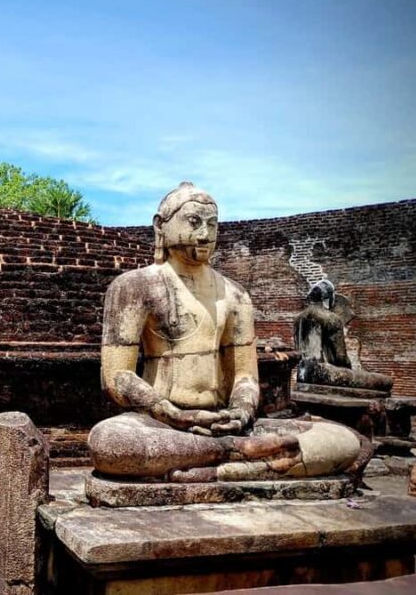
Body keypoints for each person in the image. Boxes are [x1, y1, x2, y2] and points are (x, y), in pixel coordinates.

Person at [88, 182, 362, 481]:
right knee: (109, 443)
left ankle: (212, 463)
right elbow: (116, 377)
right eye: (193, 222)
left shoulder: (235, 294)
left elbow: (245, 376)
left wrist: (241, 412)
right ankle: (240, 456)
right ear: (160, 226)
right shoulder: (134, 286)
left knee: (344, 441)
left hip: (225, 420)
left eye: (212, 224)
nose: (204, 234)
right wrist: (171, 412)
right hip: (161, 423)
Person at [294, 280, 393, 392]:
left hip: (302, 373)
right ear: (329, 297)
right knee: (385, 381)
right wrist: (349, 373)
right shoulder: (331, 318)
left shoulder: (298, 319)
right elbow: (340, 358)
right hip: (320, 373)